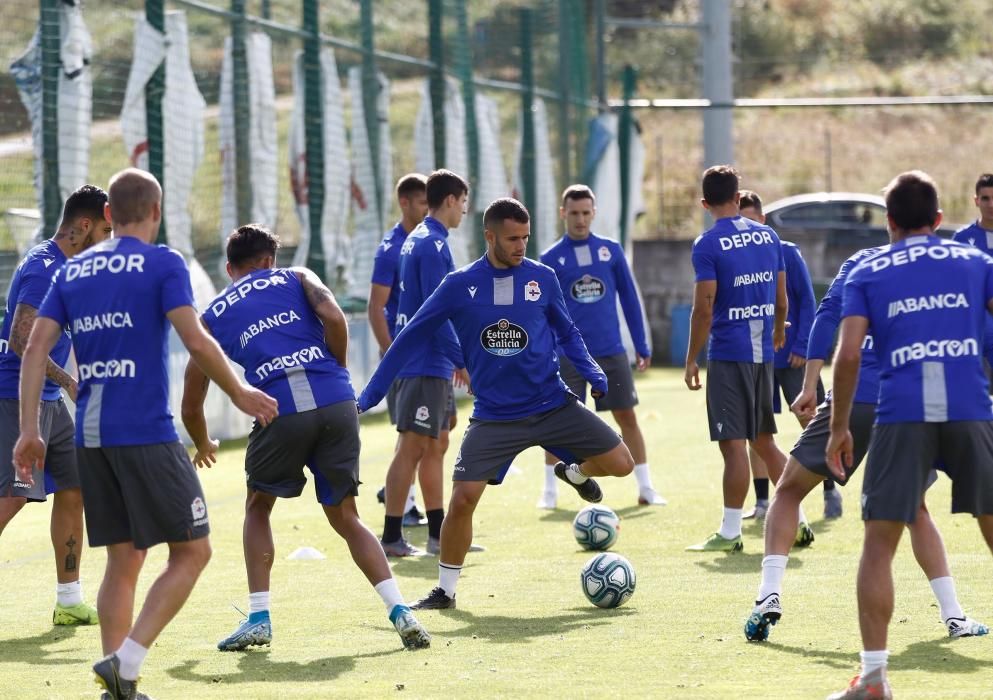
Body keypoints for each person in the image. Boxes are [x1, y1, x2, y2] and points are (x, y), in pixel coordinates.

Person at [13, 168, 279, 700]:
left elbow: (33, 350)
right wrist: (240, 392)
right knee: (193, 551)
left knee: (124, 556)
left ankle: (120, 685)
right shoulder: (163, 263)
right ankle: (126, 662)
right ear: (155, 212)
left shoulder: (71, 272)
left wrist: (28, 433)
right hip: (144, 431)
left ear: (108, 215)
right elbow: (197, 340)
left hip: (89, 435)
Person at [358, 198, 634, 610]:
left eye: (525, 237)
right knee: (463, 499)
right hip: (495, 417)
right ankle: (445, 592)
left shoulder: (542, 277)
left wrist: (592, 371)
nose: (521, 245)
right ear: (489, 236)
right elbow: (411, 335)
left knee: (621, 464)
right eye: (512, 238)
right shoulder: (458, 285)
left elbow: (568, 332)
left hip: (552, 404)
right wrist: (369, 395)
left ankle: (572, 472)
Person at [182, 224, 430, 653]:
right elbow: (334, 315)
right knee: (346, 516)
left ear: (228, 268)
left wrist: (203, 442)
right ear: (268, 262)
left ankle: (259, 617)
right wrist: (335, 370)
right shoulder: (298, 277)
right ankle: (400, 611)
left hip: (279, 408)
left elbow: (192, 395)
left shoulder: (214, 312)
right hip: (337, 399)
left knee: (258, 506)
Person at [743, 242, 988, 645]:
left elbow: (828, 316)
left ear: (889, 221)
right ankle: (954, 615)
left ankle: (768, 594)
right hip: (911, 403)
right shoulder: (955, 263)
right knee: (915, 510)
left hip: (855, 396)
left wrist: (810, 385)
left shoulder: (861, 261)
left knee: (787, 491)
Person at [824, 171, 993, 699]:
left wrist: (837, 429)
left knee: (879, 542)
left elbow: (849, 354)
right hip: (969, 404)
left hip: (901, 412)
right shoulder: (977, 262)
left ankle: (874, 679)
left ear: (889, 222)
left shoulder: (868, 270)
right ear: (940, 220)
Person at [0, 184, 111, 626]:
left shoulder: (72, 268)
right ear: (83, 226)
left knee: (75, 488)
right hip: (15, 396)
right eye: (105, 229)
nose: (108, 239)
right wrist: (69, 382)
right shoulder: (45, 268)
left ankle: (68, 599)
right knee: (11, 499)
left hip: (51, 401)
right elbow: (21, 338)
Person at [536, 184, 665, 508]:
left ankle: (646, 487)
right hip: (569, 355)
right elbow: (542, 313)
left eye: (585, 212)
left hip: (610, 351)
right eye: (574, 213)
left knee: (627, 417)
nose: (580, 219)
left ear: (594, 213)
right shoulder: (550, 259)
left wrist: (640, 343)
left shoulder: (611, 250)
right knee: (559, 422)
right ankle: (550, 492)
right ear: (563, 214)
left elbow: (630, 300)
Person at [684, 166, 790, 553]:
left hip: (729, 354)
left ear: (704, 203)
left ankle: (730, 532)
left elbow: (704, 307)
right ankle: (798, 520)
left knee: (732, 444)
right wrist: (779, 330)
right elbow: (782, 300)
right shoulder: (769, 236)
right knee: (764, 440)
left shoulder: (707, 244)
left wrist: (692, 357)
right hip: (763, 353)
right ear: (737, 194)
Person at [379, 168, 474, 557]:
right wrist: (461, 359)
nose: (465, 212)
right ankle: (390, 537)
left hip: (426, 360)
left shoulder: (419, 239)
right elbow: (435, 312)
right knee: (412, 447)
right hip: (422, 361)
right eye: (464, 203)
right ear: (450, 200)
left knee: (434, 444)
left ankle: (438, 535)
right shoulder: (432, 245)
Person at [737, 190, 828, 531]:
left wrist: (803, 346)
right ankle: (762, 501)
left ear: (762, 219)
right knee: (757, 431)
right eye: (740, 220)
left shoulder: (786, 253)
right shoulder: (738, 260)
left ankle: (831, 489)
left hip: (791, 356)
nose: (746, 227)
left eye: (751, 219)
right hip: (756, 357)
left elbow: (807, 302)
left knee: (812, 420)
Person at [368, 173, 431, 528]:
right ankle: (404, 506)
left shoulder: (427, 243)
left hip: (428, 354)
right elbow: (376, 306)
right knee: (414, 432)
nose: (428, 209)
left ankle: (396, 491)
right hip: (404, 356)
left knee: (436, 426)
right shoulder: (391, 248)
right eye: (423, 202)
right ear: (404, 203)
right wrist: (391, 353)